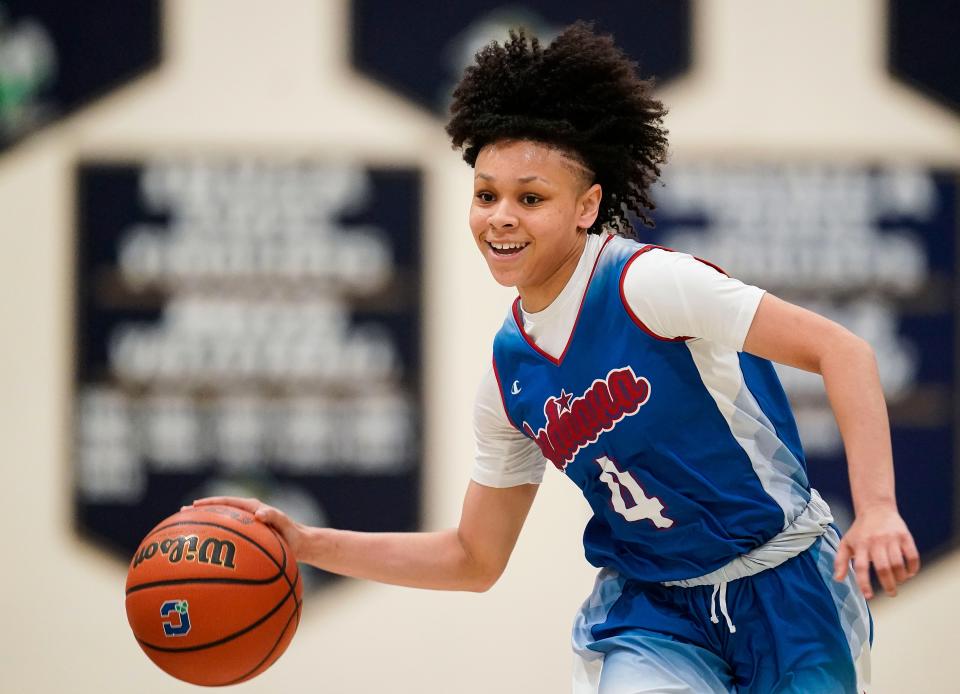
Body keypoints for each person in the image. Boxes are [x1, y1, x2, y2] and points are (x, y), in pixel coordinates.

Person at [193, 23, 919, 693]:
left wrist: (879, 508)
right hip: (654, 610)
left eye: (529, 197)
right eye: (485, 195)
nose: (501, 216)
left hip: (786, 587)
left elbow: (841, 350)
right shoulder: (510, 379)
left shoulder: (650, 285)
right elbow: (474, 559)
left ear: (585, 205)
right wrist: (306, 542)